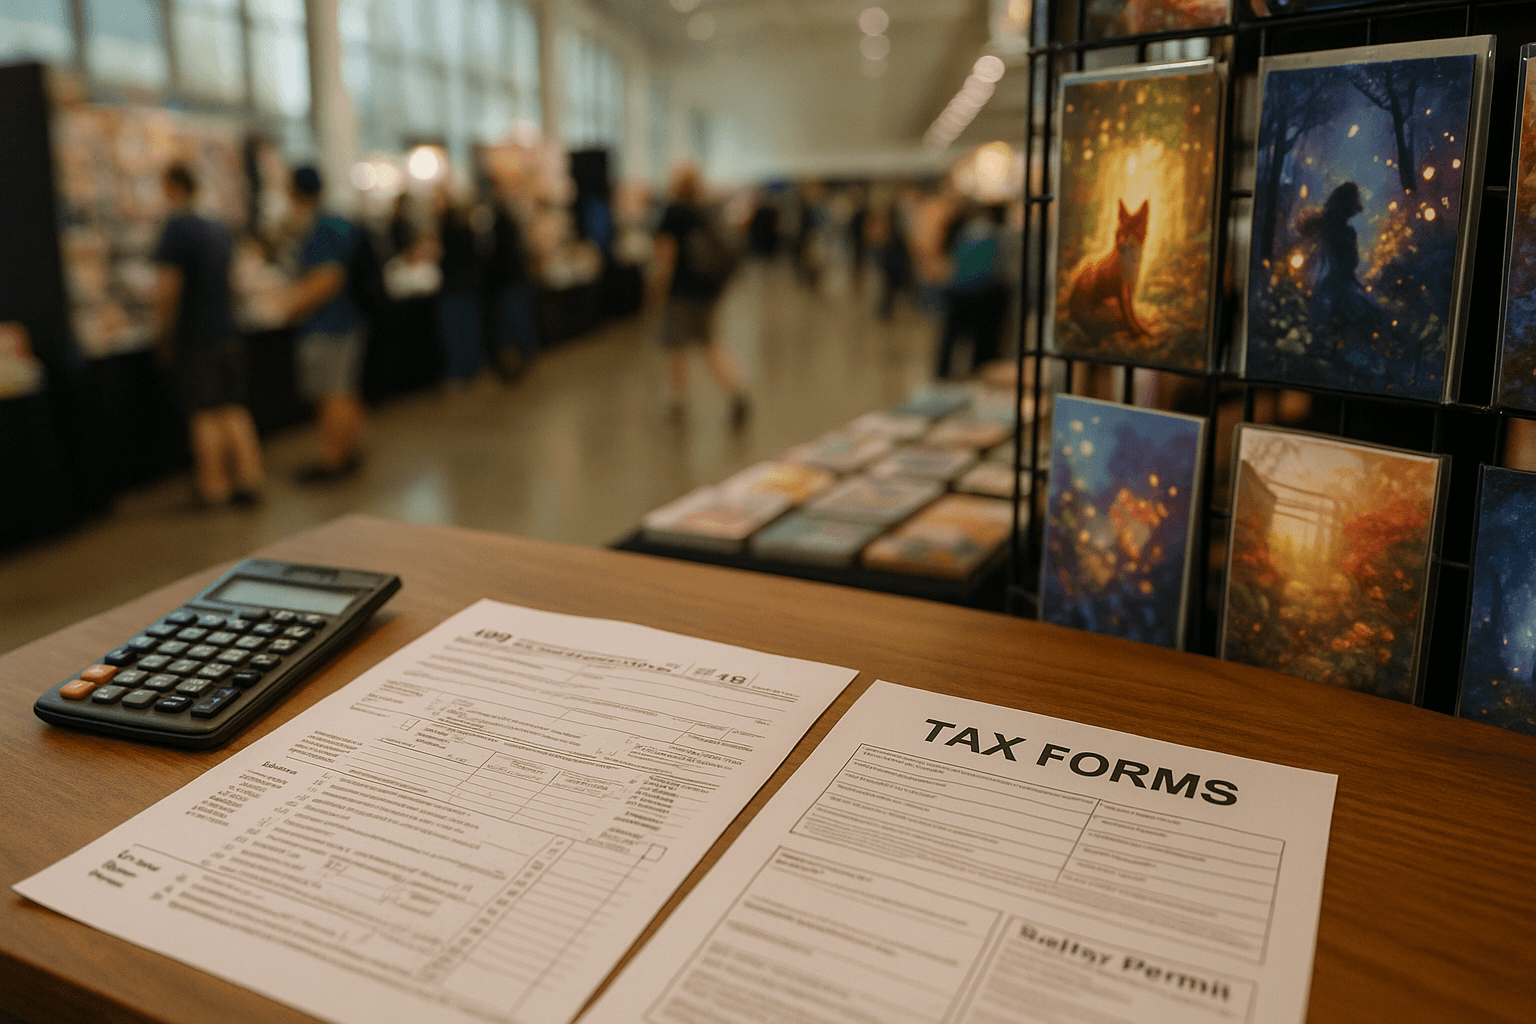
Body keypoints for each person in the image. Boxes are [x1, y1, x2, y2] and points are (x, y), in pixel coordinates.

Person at [152, 162, 265, 507]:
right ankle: (249, 477)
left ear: (173, 187)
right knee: (233, 405)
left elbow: (168, 287)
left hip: (197, 335)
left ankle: (213, 486)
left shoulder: (177, 227)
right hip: (227, 329)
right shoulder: (218, 227)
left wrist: (163, 333)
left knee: (203, 411)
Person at [282, 166, 367, 481]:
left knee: (332, 394)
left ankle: (332, 459)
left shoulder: (320, 228)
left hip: (328, 324)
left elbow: (327, 279)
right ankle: (347, 450)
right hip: (349, 320)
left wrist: (290, 305)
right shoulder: (339, 222)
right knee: (345, 390)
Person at [650, 162, 749, 426]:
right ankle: (732, 391)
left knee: (683, 348)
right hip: (707, 293)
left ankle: (680, 400)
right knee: (703, 345)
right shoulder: (704, 211)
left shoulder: (673, 214)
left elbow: (665, 258)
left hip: (682, 295)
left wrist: (658, 290)